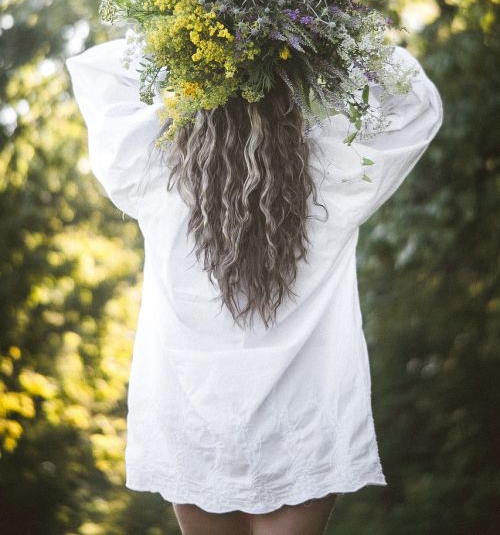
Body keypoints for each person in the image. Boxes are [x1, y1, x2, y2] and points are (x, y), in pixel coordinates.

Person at [66, 37, 443, 535]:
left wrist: (193, 33)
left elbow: (99, 71)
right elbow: (415, 100)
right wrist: (323, 36)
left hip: (193, 411)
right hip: (304, 410)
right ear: (292, 93)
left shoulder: (156, 176)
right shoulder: (332, 173)